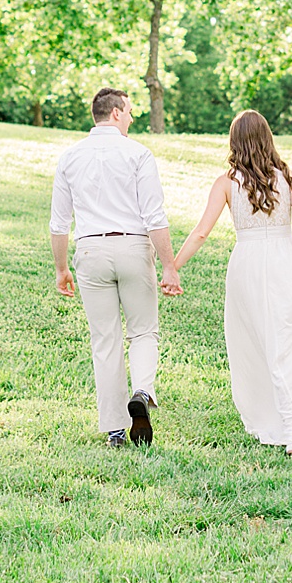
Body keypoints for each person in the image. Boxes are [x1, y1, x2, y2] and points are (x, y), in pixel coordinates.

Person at [173, 109, 292, 455]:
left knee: (255, 343)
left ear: (234, 142)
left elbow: (202, 231)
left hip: (247, 264)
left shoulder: (226, 182)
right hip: (284, 259)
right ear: (268, 138)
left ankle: (284, 425)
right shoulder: (287, 176)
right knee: (288, 342)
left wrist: (173, 266)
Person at [50, 87, 182, 447]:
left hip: (90, 251)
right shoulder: (138, 154)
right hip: (133, 246)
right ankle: (141, 391)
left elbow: (59, 223)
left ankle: (113, 430)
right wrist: (169, 266)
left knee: (104, 340)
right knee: (142, 332)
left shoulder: (70, 157)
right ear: (115, 114)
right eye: (129, 111)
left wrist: (62, 269)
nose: (133, 118)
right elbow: (154, 215)